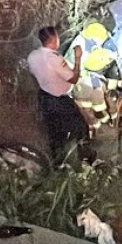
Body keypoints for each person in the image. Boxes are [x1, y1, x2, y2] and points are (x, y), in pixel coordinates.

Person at [28, 26, 91, 161]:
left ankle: (57, 165)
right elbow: (73, 78)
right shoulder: (55, 58)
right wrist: (78, 58)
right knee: (81, 128)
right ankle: (87, 161)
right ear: (52, 39)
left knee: (55, 135)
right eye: (57, 37)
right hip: (60, 100)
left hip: (45, 99)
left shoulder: (32, 56)